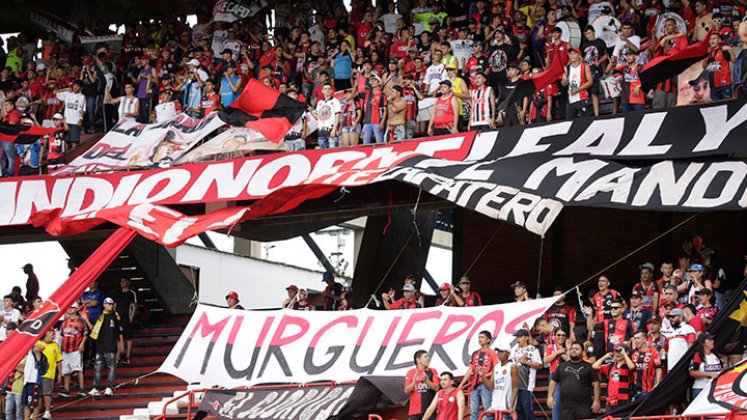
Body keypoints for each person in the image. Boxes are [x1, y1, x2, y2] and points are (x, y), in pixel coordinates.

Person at [547, 342, 601, 420]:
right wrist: (550, 397)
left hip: (584, 407)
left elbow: (596, 384)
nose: (574, 350)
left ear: (582, 352)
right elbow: (553, 382)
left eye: (576, 349)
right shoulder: (562, 366)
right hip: (566, 408)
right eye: (572, 349)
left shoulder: (588, 367)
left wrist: (597, 401)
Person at [458, 330, 498, 420]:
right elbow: (470, 370)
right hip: (474, 385)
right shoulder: (475, 353)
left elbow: (497, 369)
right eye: (479, 337)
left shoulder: (492, 353)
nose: (480, 339)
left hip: (486, 385)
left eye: (482, 337)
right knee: (473, 411)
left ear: (488, 340)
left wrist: (485, 376)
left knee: (488, 410)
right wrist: (461, 385)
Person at [89, 297, 123, 396]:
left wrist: (120, 344)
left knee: (111, 367)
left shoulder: (115, 316)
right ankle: (95, 387)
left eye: (111, 304)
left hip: (111, 346)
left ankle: (109, 387)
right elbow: (94, 331)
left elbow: (119, 331)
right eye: (108, 304)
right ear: (104, 305)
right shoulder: (100, 317)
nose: (110, 306)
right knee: (98, 368)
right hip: (100, 347)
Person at [510, 329, 543, 420]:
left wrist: (527, 362)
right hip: (515, 385)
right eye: (517, 337)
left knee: (528, 411)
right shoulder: (515, 349)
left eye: (520, 337)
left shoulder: (533, 350)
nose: (518, 339)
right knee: (518, 411)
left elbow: (540, 365)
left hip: (527, 385)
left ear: (527, 337)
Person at [592, 343, 635, 408]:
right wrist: (605, 357)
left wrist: (624, 354)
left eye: (620, 352)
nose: (617, 354)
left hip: (624, 401)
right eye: (616, 351)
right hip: (610, 402)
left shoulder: (628, 365)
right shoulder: (611, 366)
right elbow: (594, 366)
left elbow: (632, 367)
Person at [59, 303, 87, 398]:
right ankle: (66, 390)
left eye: (72, 308)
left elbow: (85, 334)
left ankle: (82, 389)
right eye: (69, 307)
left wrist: (82, 344)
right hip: (65, 349)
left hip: (75, 348)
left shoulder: (81, 321)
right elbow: (61, 335)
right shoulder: (64, 321)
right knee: (66, 370)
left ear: (76, 309)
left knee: (78, 369)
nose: (70, 309)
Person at [404, 349, 440, 420]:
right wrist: (414, 382)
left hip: (430, 410)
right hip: (414, 411)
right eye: (425, 357)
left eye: (428, 357)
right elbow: (406, 391)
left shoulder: (432, 371)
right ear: (418, 360)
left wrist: (427, 381)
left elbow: (437, 388)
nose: (428, 359)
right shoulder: (410, 372)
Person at [486, 345, 519, 420]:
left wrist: (512, 406)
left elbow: (515, 387)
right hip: (494, 405)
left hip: (506, 406)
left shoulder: (512, 367)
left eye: (502, 351)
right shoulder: (496, 367)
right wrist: (483, 376)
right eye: (498, 352)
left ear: (508, 354)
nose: (499, 354)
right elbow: (491, 387)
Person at [543, 329, 569, 420]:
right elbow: (545, 360)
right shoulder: (551, 347)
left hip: (568, 376)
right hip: (555, 376)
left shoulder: (569, 347)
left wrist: (567, 352)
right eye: (558, 335)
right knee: (556, 402)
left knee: (567, 402)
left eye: (563, 335)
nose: (561, 337)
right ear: (554, 337)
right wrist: (558, 352)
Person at [561, 48, 592, 119]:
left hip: (582, 97)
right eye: (570, 54)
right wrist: (566, 80)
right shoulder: (567, 68)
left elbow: (590, 82)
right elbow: (563, 83)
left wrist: (578, 90)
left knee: (584, 121)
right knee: (569, 121)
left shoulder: (585, 66)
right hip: (571, 99)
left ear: (579, 55)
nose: (572, 56)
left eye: (574, 53)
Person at [689, 333, 722, 400]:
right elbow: (692, 373)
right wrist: (709, 374)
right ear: (703, 343)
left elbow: (721, 368)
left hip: (715, 389)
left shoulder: (716, 355)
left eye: (712, 339)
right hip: (701, 389)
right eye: (709, 340)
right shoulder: (698, 355)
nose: (712, 341)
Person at [631, 330, 662, 401]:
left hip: (649, 391)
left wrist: (657, 383)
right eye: (635, 338)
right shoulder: (633, 353)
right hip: (635, 391)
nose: (636, 340)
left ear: (645, 339)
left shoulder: (653, 352)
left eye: (638, 338)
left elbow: (658, 368)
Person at [662, 308, 697, 372]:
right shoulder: (670, 331)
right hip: (670, 365)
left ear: (681, 317)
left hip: (683, 366)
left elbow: (691, 347)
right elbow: (664, 347)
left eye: (673, 317)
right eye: (669, 317)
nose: (670, 319)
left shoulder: (688, 328)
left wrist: (689, 362)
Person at [55, 80, 86, 150]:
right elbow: (55, 92)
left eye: (78, 86)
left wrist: (81, 119)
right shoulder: (67, 94)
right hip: (66, 121)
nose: (75, 87)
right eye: (74, 85)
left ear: (81, 88)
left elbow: (83, 110)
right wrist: (65, 89)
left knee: (74, 141)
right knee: (65, 140)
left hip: (75, 122)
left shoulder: (82, 97)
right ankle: (66, 157)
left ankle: (73, 157)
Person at [113, 278, 137, 364]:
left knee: (128, 337)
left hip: (126, 318)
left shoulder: (131, 293)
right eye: (121, 281)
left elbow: (134, 306)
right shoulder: (117, 293)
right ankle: (118, 357)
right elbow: (114, 306)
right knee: (118, 338)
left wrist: (131, 318)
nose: (122, 283)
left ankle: (127, 357)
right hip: (118, 318)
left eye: (124, 281)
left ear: (129, 282)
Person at [22, 342, 48, 420]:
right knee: (26, 404)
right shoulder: (27, 354)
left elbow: (42, 347)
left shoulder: (35, 352)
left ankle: (34, 418)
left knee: (35, 404)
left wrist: (31, 342)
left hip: (34, 381)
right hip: (26, 382)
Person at [39, 329, 61, 419]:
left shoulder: (55, 345)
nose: (53, 336)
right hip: (38, 373)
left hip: (50, 373)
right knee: (39, 393)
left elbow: (59, 360)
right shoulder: (38, 343)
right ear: (46, 334)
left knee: (47, 393)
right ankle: (38, 410)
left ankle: (47, 412)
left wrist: (60, 373)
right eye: (52, 334)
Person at [313, 83, 341, 149]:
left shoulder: (335, 101)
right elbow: (318, 118)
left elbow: (337, 115)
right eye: (325, 89)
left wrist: (334, 129)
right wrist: (311, 111)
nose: (327, 90)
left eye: (329, 89)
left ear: (332, 91)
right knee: (323, 153)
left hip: (331, 131)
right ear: (322, 91)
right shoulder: (320, 102)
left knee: (332, 153)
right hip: (321, 132)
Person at [5, 323, 24, 420]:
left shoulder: (24, 349)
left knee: (19, 412)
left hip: (19, 387)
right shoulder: (8, 348)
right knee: (8, 411)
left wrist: (13, 365)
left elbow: (25, 370)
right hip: (10, 385)